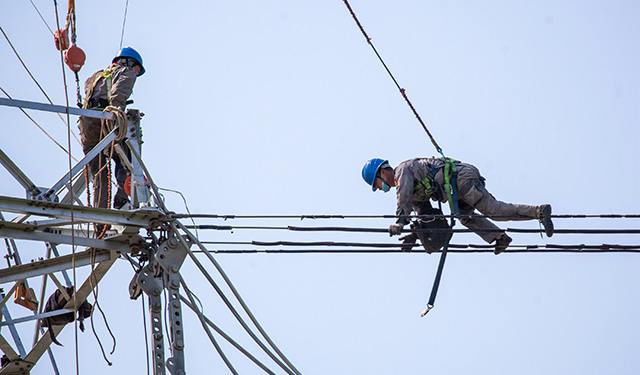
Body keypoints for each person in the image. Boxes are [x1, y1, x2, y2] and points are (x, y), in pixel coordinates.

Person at [361, 157, 554, 254]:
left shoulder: (403, 171)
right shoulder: (413, 194)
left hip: (460, 178)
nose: (379, 189)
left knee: (494, 210)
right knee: (465, 217)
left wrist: (400, 222)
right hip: (455, 190)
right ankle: (499, 237)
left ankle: (539, 211)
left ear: (381, 173)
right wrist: (415, 234)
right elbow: (427, 215)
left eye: (376, 185)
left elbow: (402, 197)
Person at [79, 47, 145, 212]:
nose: (136, 74)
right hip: (106, 124)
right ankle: (121, 201)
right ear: (130, 63)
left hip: (88, 128)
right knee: (127, 161)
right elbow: (118, 94)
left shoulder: (94, 77)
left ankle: (100, 220)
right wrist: (117, 115)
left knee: (100, 176)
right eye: (137, 70)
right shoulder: (126, 72)